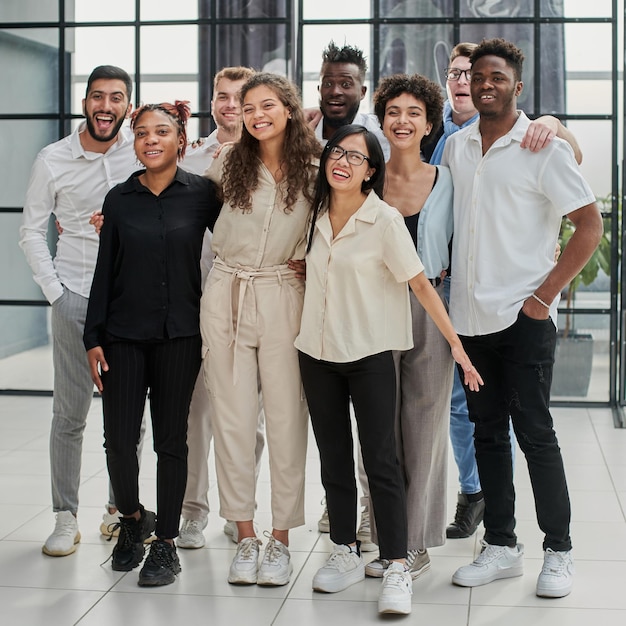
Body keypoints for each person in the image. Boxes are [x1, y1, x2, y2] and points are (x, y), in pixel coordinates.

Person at [296, 124, 482, 615]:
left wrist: (457, 348)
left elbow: (421, 286)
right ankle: (344, 549)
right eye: (337, 152)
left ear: (370, 172)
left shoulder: (384, 220)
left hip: (370, 354)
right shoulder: (312, 215)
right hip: (316, 354)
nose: (342, 162)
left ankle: (397, 564)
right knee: (333, 459)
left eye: (356, 158)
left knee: (382, 460)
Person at [443, 38, 602, 598]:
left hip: (523, 317)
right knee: (487, 433)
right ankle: (502, 546)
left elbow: (588, 226)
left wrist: (543, 297)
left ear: (517, 86)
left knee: (535, 434)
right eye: (476, 75)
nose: (485, 83)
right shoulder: (457, 147)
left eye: (497, 76)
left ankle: (558, 552)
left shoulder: (543, 146)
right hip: (468, 317)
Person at [83, 101, 221, 586]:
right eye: (142, 133)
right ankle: (132, 519)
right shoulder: (119, 199)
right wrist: (92, 336)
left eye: (162, 132)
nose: (151, 140)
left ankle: (164, 544)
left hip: (181, 334)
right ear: (134, 143)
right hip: (121, 335)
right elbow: (105, 272)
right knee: (119, 442)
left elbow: (239, 240)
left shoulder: (204, 194)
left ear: (180, 140)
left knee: (170, 441)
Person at [199, 72, 320, 587]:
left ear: (288, 109)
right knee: (232, 419)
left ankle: (282, 539)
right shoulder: (227, 162)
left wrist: (313, 267)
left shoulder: (316, 169)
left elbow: (342, 227)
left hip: (284, 294)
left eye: (267, 105)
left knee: (288, 420)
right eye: (248, 107)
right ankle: (245, 534)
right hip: (226, 291)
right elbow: (184, 210)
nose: (256, 115)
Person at [19, 65, 138, 556]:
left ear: (128, 105)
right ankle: (65, 517)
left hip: (129, 302)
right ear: (84, 102)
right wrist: (56, 293)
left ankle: (118, 510)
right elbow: (31, 230)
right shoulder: (53, 159)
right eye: (97, 97)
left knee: (128, 417)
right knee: (69, 414)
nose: (105, 106)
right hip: (74, 296)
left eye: (115, 98)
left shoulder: (143, 148)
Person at [360, 73, 452, 582]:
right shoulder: (365, 178)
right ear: (381, 120)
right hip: (373, 305)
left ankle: (415, 544)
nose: (403, 120)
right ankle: (385, 540)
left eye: (414, 113)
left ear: (429, 124)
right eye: (394, 111)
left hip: (430, 303)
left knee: (423, 425)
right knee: (378, 430)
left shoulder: (446, 180)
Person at [176, 65, 267, 550]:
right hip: (198, 301)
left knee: (247, 416)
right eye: (222, 96)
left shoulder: (270, 157)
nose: (230, 105)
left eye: (239, 97)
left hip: (251, 302)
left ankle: (241, 509)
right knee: (197, 413)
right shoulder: (191, 159)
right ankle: (193, 511)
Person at [308, 40, 383, 548]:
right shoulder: (300, 134)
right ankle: (337, 510)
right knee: (328, 424)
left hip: (364, 297)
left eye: (346, 83)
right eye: (329, 81)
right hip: (310, 289)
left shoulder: (377, 142)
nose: (336, 90)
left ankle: (367, 514)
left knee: (372, 430)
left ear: (362, 89)